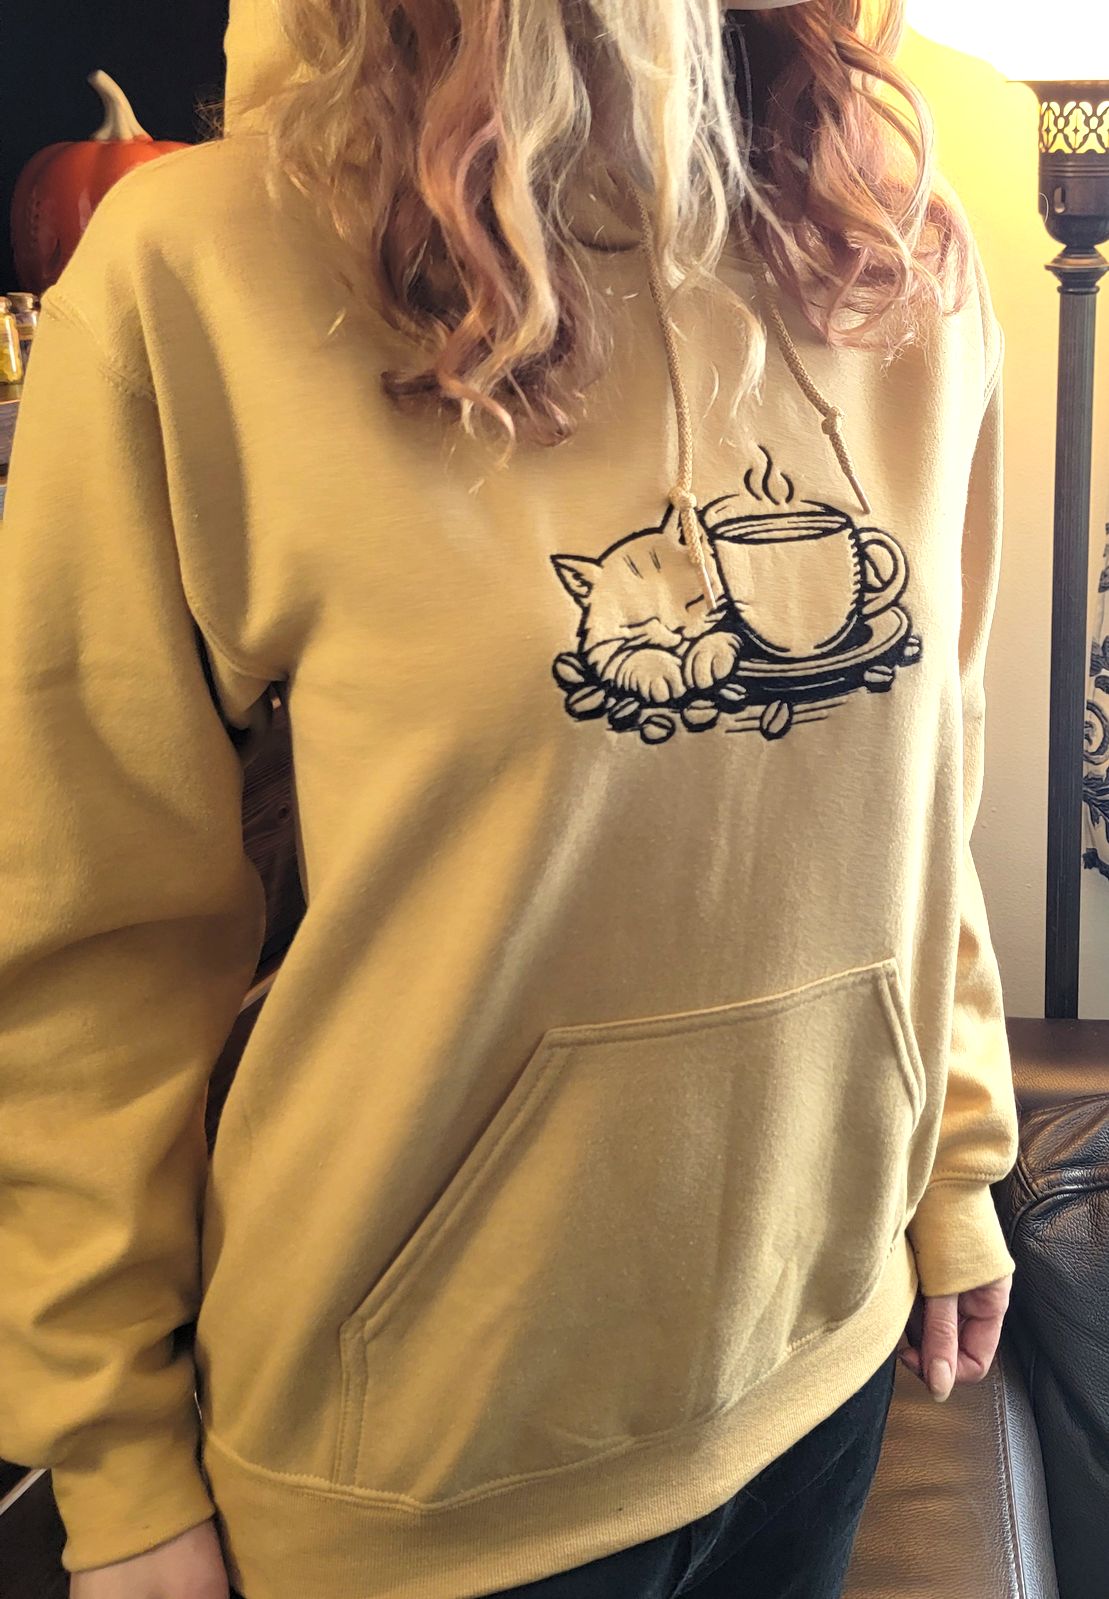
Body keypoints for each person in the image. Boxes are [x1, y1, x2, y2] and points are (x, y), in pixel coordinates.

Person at [0, 1, 1020, 1596]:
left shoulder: (894, 255)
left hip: (818, 1372)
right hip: (423, 1459)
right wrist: (112, 1454)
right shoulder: (196, 267)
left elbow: (929, 776)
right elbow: (89, 931)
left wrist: (954, 1157)